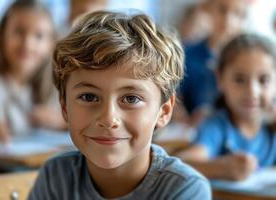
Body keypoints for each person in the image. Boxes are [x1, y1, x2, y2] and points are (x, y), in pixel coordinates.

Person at [28, 11, 211, 200]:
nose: (108, 119)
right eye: (89, 97)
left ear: (163, 111)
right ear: (65, 107)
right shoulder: (55, 177)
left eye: (131, 99)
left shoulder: (185, 189)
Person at [0, 0, 66, 142]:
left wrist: (60, 122)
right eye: (19, 32)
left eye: (39, 36)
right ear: (2, 36)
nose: (27, 43)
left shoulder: (54, 86)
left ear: (51, 45)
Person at [177, 34, 276, 181]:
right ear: (220, 79)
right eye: (239, 79)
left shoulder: (271, 128)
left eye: (264, 80)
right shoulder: (216, 127)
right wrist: (221, 168)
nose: (252, 91)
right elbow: (180, 164)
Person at [179, 0, 248, 126]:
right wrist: (180, 115)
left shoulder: (249, 58)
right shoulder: (188, 54)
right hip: (194, 130)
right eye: (222, 10)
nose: (228, 20)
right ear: (208, 9)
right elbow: (175, 96)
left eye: (237, 13)